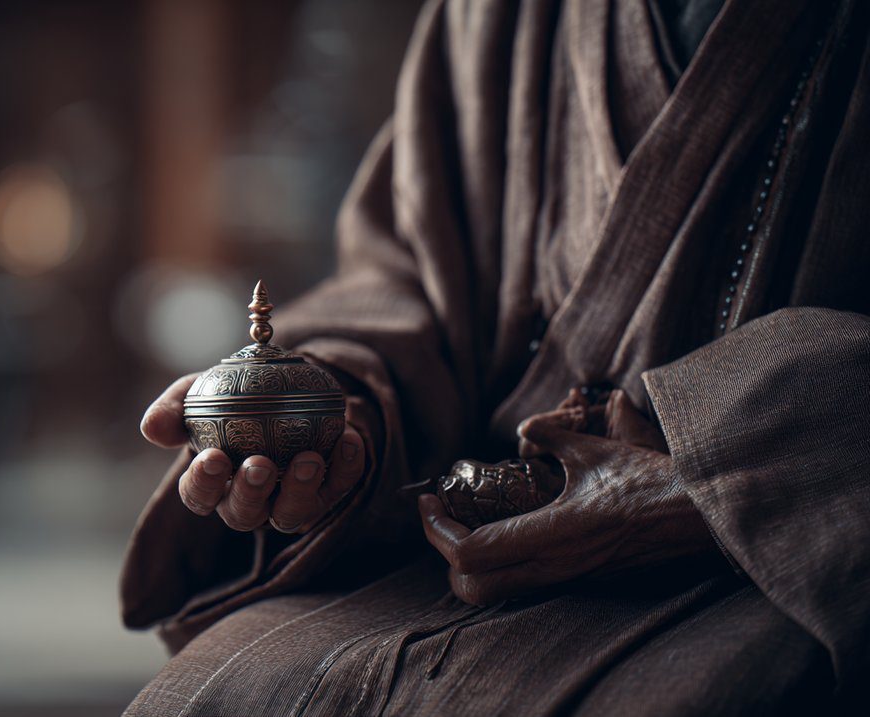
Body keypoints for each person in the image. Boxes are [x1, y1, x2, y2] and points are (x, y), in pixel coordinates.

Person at [122, 0, 870, 713]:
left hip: (785, 550)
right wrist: (350, 409)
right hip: (474, 534)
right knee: (217, 696)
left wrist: (712, 479)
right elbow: (412, 271)